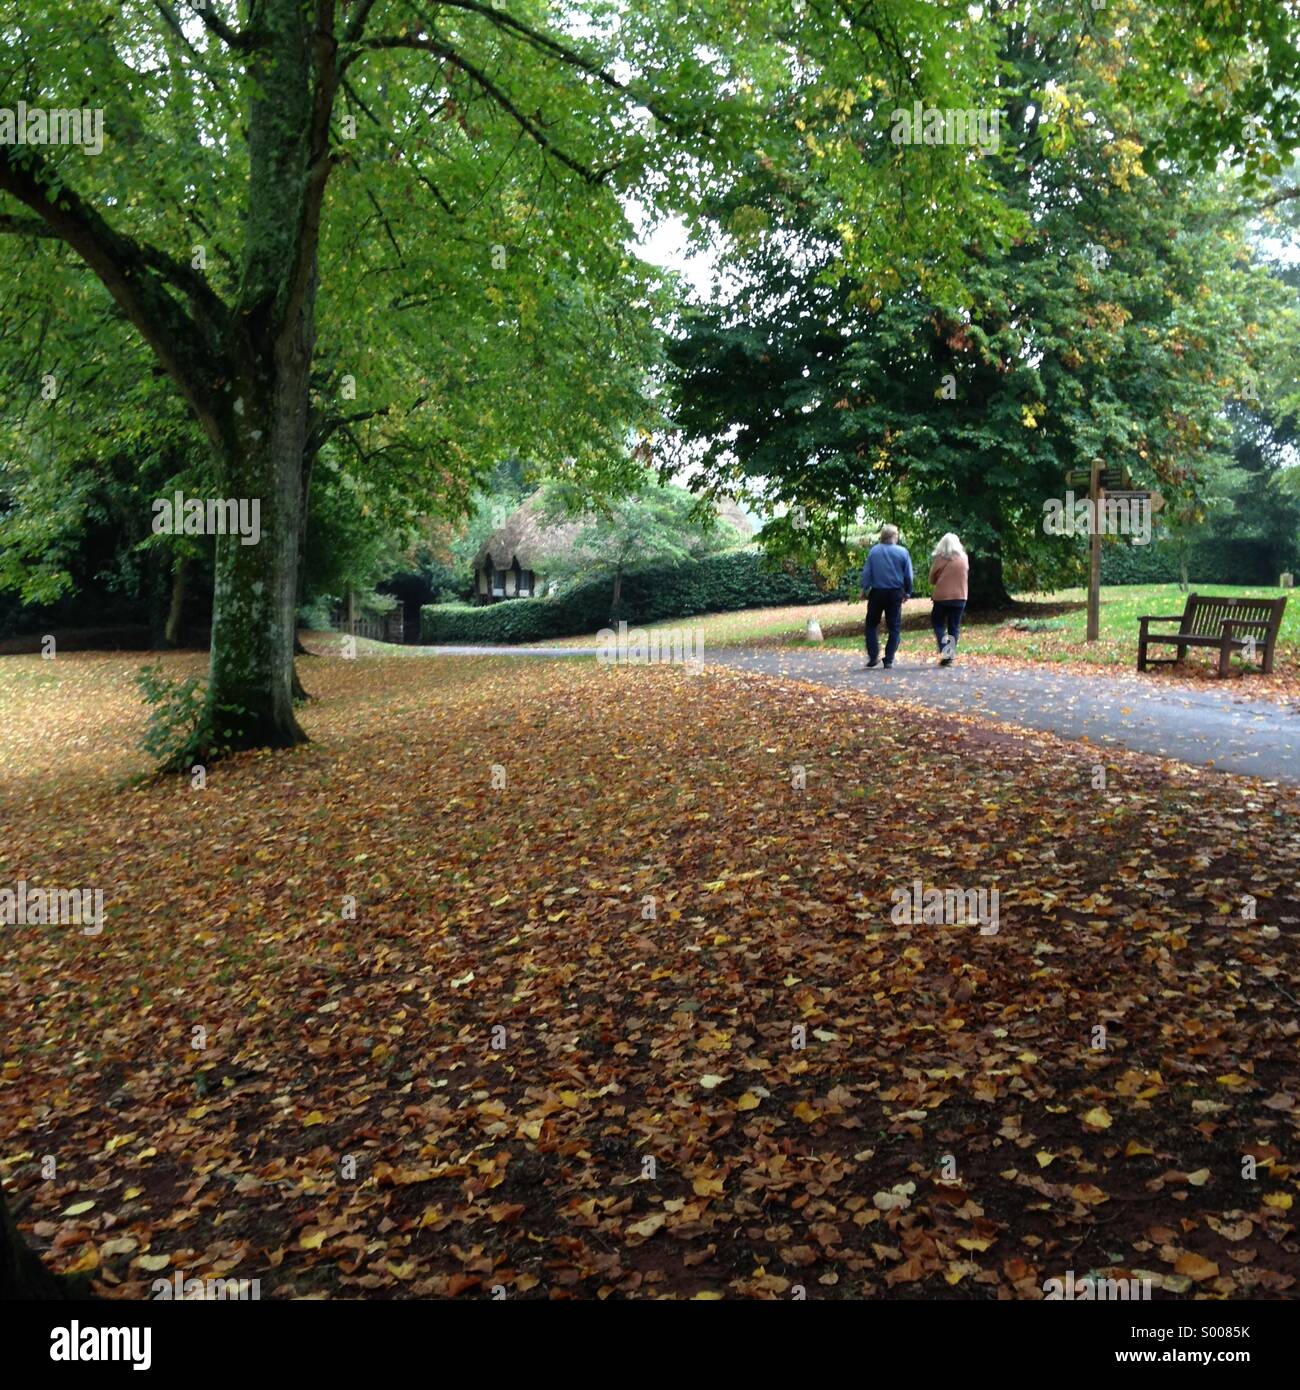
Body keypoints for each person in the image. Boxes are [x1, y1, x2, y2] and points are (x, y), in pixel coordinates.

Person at [860, 523, 913, 668]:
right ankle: (889, 658)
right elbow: (908, 575)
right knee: (894, 627)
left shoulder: (874, 552)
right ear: (894, 536)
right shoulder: (903, 552)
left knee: (871, 624)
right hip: (895, 593)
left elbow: (867, 573)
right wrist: (908, 591)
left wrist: (864, 589)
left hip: (877, 592)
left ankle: (873, 655)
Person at [928, 532, 969, 666]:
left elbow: (932, 579)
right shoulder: (964, 558)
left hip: (942, 597)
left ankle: (947, 651)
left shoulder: (940, 559)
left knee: (938, 622)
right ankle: (949, 654)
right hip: (960, 597)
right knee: (954, 626)